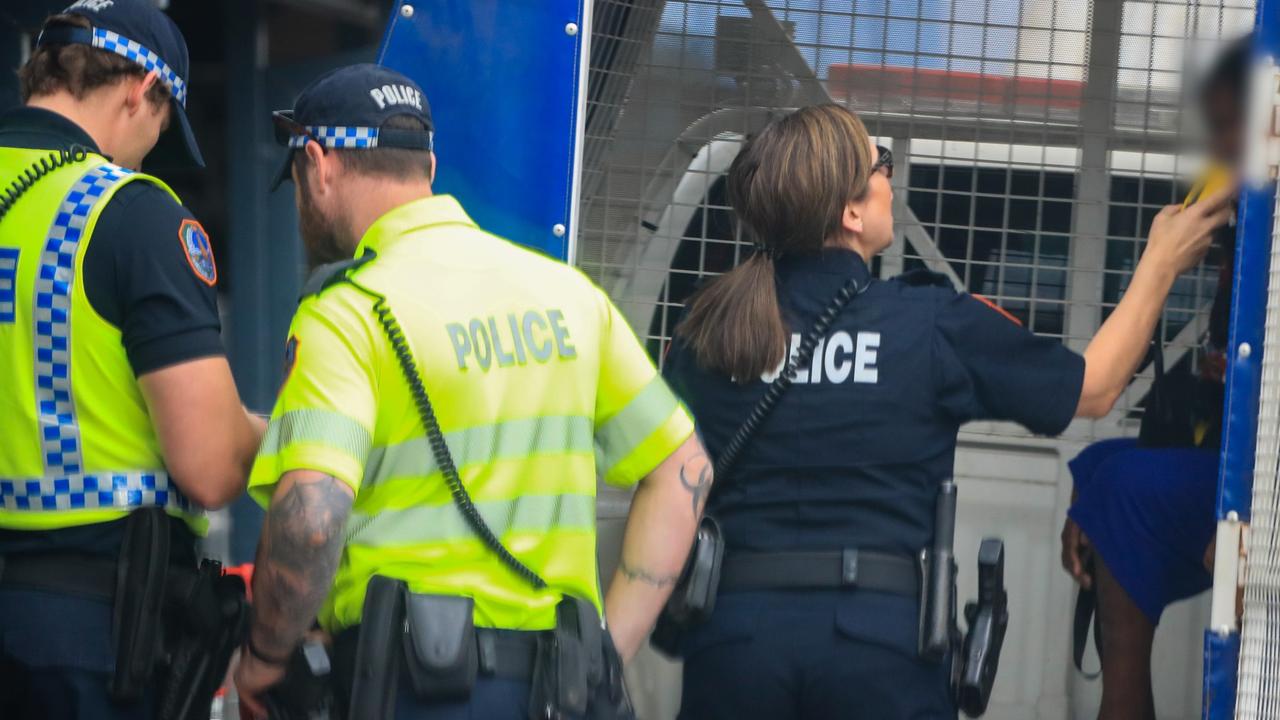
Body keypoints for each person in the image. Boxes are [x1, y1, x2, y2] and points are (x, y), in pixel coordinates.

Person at [662, 103, 1234, 719]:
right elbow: (1093, 389)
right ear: (851, 213)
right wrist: (1160, 263)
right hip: (879, 651)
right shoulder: (929, 322)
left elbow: (660, 484)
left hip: (733, 644)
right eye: (881, 164)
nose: (890, 174)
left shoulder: (705, 334)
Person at [232, 64, 710, 719]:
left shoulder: (348, 312)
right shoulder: (568, 295)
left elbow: (312, 516)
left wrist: (263, 656)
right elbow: (684, 469)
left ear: (317, 164)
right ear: (427, 164)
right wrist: (603, 653)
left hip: (412, 688)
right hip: (562, 695)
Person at [0, 2, 267, 719]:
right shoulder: (129, 212)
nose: (148, 150)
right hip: (86, 635)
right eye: (159, 126)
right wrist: (278, 434)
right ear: (141, 88)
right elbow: (209, 467)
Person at [1059, 37, 1250, 720]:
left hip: (1261, 478)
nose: (1223, 143)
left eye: (1236, 124)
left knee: (1125, 495)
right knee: (1098, 465)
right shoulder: (1243, 219)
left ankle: (1121, 695)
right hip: (1228, 447)